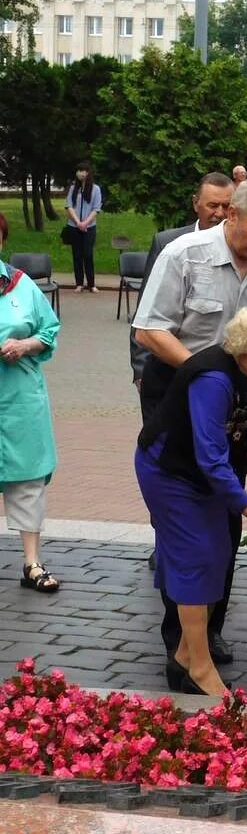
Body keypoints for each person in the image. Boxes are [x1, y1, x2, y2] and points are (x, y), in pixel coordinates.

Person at [133, 178, 247, 666]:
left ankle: (210, 630)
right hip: (178, 391)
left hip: (237, 402)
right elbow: (149, 330)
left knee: (223, 516)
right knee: (184, 520)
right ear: (232, 217)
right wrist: (207, 379)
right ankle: (178, 637)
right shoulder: (184, 254)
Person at [135, 301, 247, 694]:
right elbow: (209, 454)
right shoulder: (213, 377)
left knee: (216, 554)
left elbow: (238, 420)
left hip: (201, 475)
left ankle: (183, 654)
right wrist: (245, 504)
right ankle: (199, 666)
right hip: (169, 473)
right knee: (194, 557)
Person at [130, 172, 235, 417]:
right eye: (212, 205)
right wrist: (140, 371)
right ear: (195, 203)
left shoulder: (238, 248)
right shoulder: (169, 243)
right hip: (165, 375)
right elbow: (147, 311)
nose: (219, 213)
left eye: (226, 206)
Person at [0, 212, 62, 596]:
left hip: (20, 400)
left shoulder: (22, 285)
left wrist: (25, 345)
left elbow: (49, 328)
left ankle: (32, 562)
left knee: (27, 479)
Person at [64, 162, 103, 293]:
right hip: (74, 226)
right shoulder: (73, 188)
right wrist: (78, 222)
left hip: (89, 227)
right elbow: (69, 206)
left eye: (82, 171)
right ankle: (79, 283)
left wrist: (85, 223)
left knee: (87, 254)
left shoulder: (96, 189)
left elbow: (96, 208)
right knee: (77, 255)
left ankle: (91, 284)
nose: (80, 173)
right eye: (78, 171)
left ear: (88, 172)